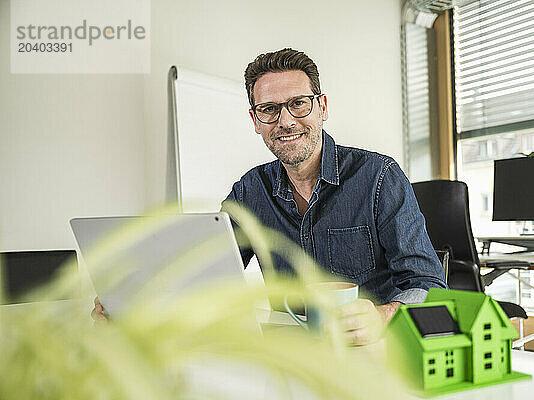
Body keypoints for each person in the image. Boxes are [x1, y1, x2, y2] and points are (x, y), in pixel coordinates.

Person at [93, 48, 447, 346]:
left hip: (372, 350)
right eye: (269, 109)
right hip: (288, 352)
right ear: (255, 119)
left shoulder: (379, 177)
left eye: (298, 104)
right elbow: (203, 273)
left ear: (322, 107)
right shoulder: (250, 191)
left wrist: (384, 316)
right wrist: (130, 308)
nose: (285, 121)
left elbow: (428, 283)